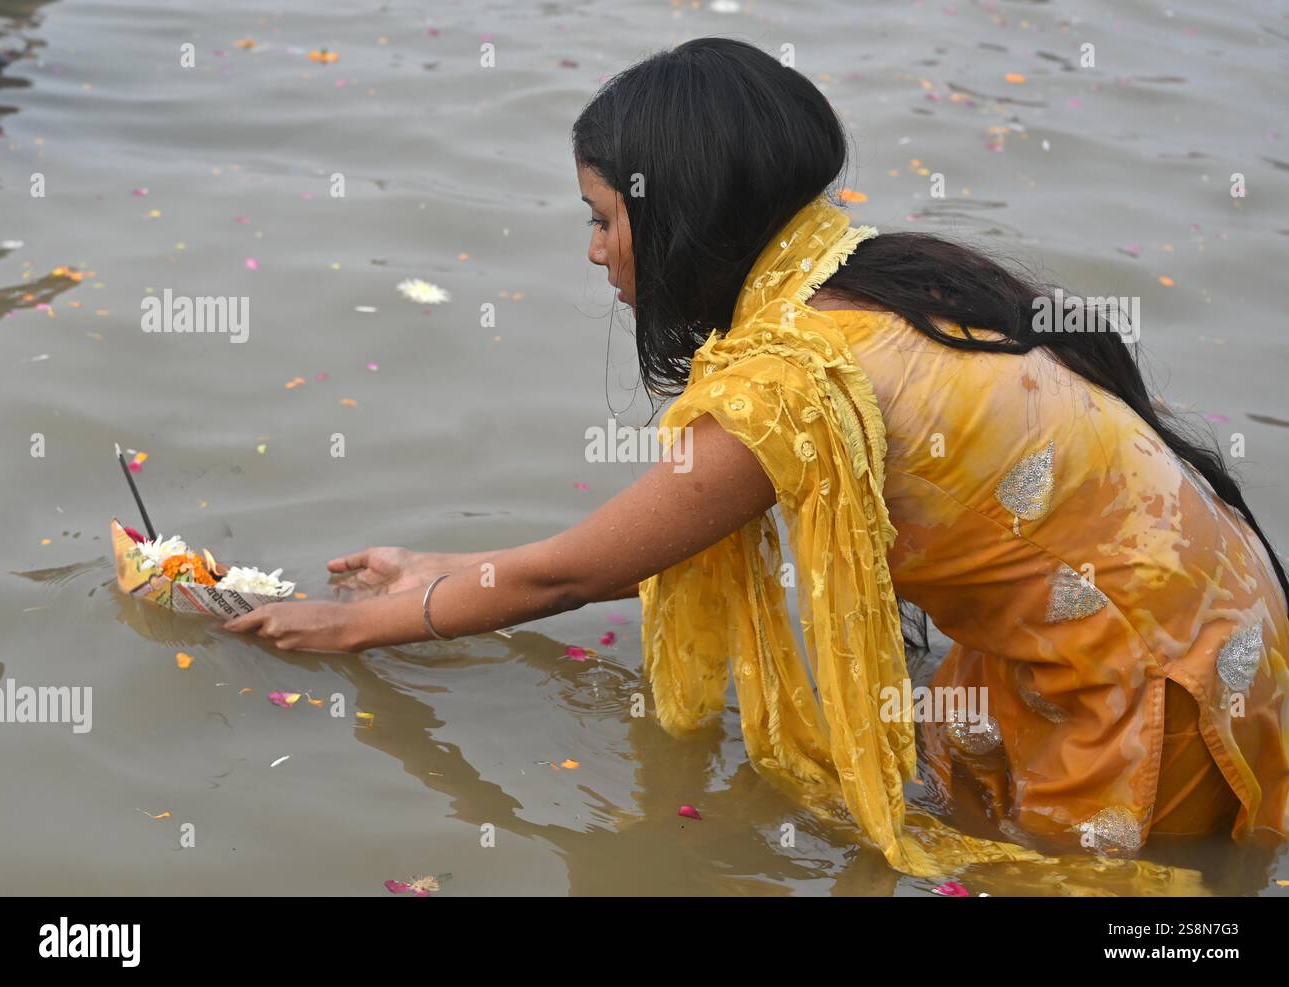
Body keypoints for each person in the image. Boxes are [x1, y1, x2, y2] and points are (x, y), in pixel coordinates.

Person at [224, 38, 1287, 887]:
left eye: (602, 220)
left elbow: (574, 576)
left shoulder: (788, 377)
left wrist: (357, 624)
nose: (592, 250)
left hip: (1144, 680)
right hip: (1195, 611)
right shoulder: (870, 274)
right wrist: (435, 576)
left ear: (675, 215)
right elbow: (641, 540)